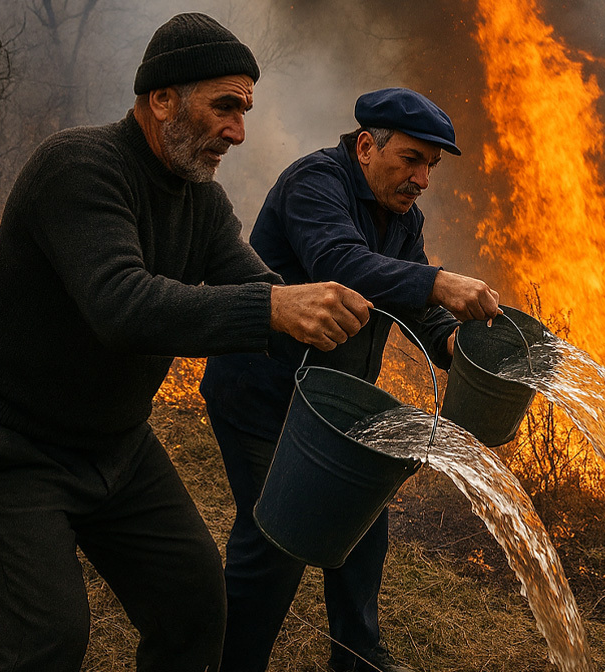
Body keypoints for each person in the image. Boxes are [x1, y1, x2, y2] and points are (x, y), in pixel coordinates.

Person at [0, 13, 371, 672]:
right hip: (14, 450)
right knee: (47, 642)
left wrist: (330, 330)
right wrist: (275, 306)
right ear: (161, 97)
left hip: (119, 448)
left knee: (194, 609)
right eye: (225, 106)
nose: (239, 132)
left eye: (245, 111)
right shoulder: (78, 167)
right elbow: (123, 307)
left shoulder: (203, 201)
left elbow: (258, 295)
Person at [200, 88, 500, 672]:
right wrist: (439, 282)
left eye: (430, 167)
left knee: (364, 521)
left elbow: (409, 293)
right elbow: (338, 263)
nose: (422, 180)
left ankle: (358, 657)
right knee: (274, 541)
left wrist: (452, 342)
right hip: (261, 390)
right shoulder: (315, 183)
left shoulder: (402, 214)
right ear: (367, 146)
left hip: (334, 400)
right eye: (412, 159)